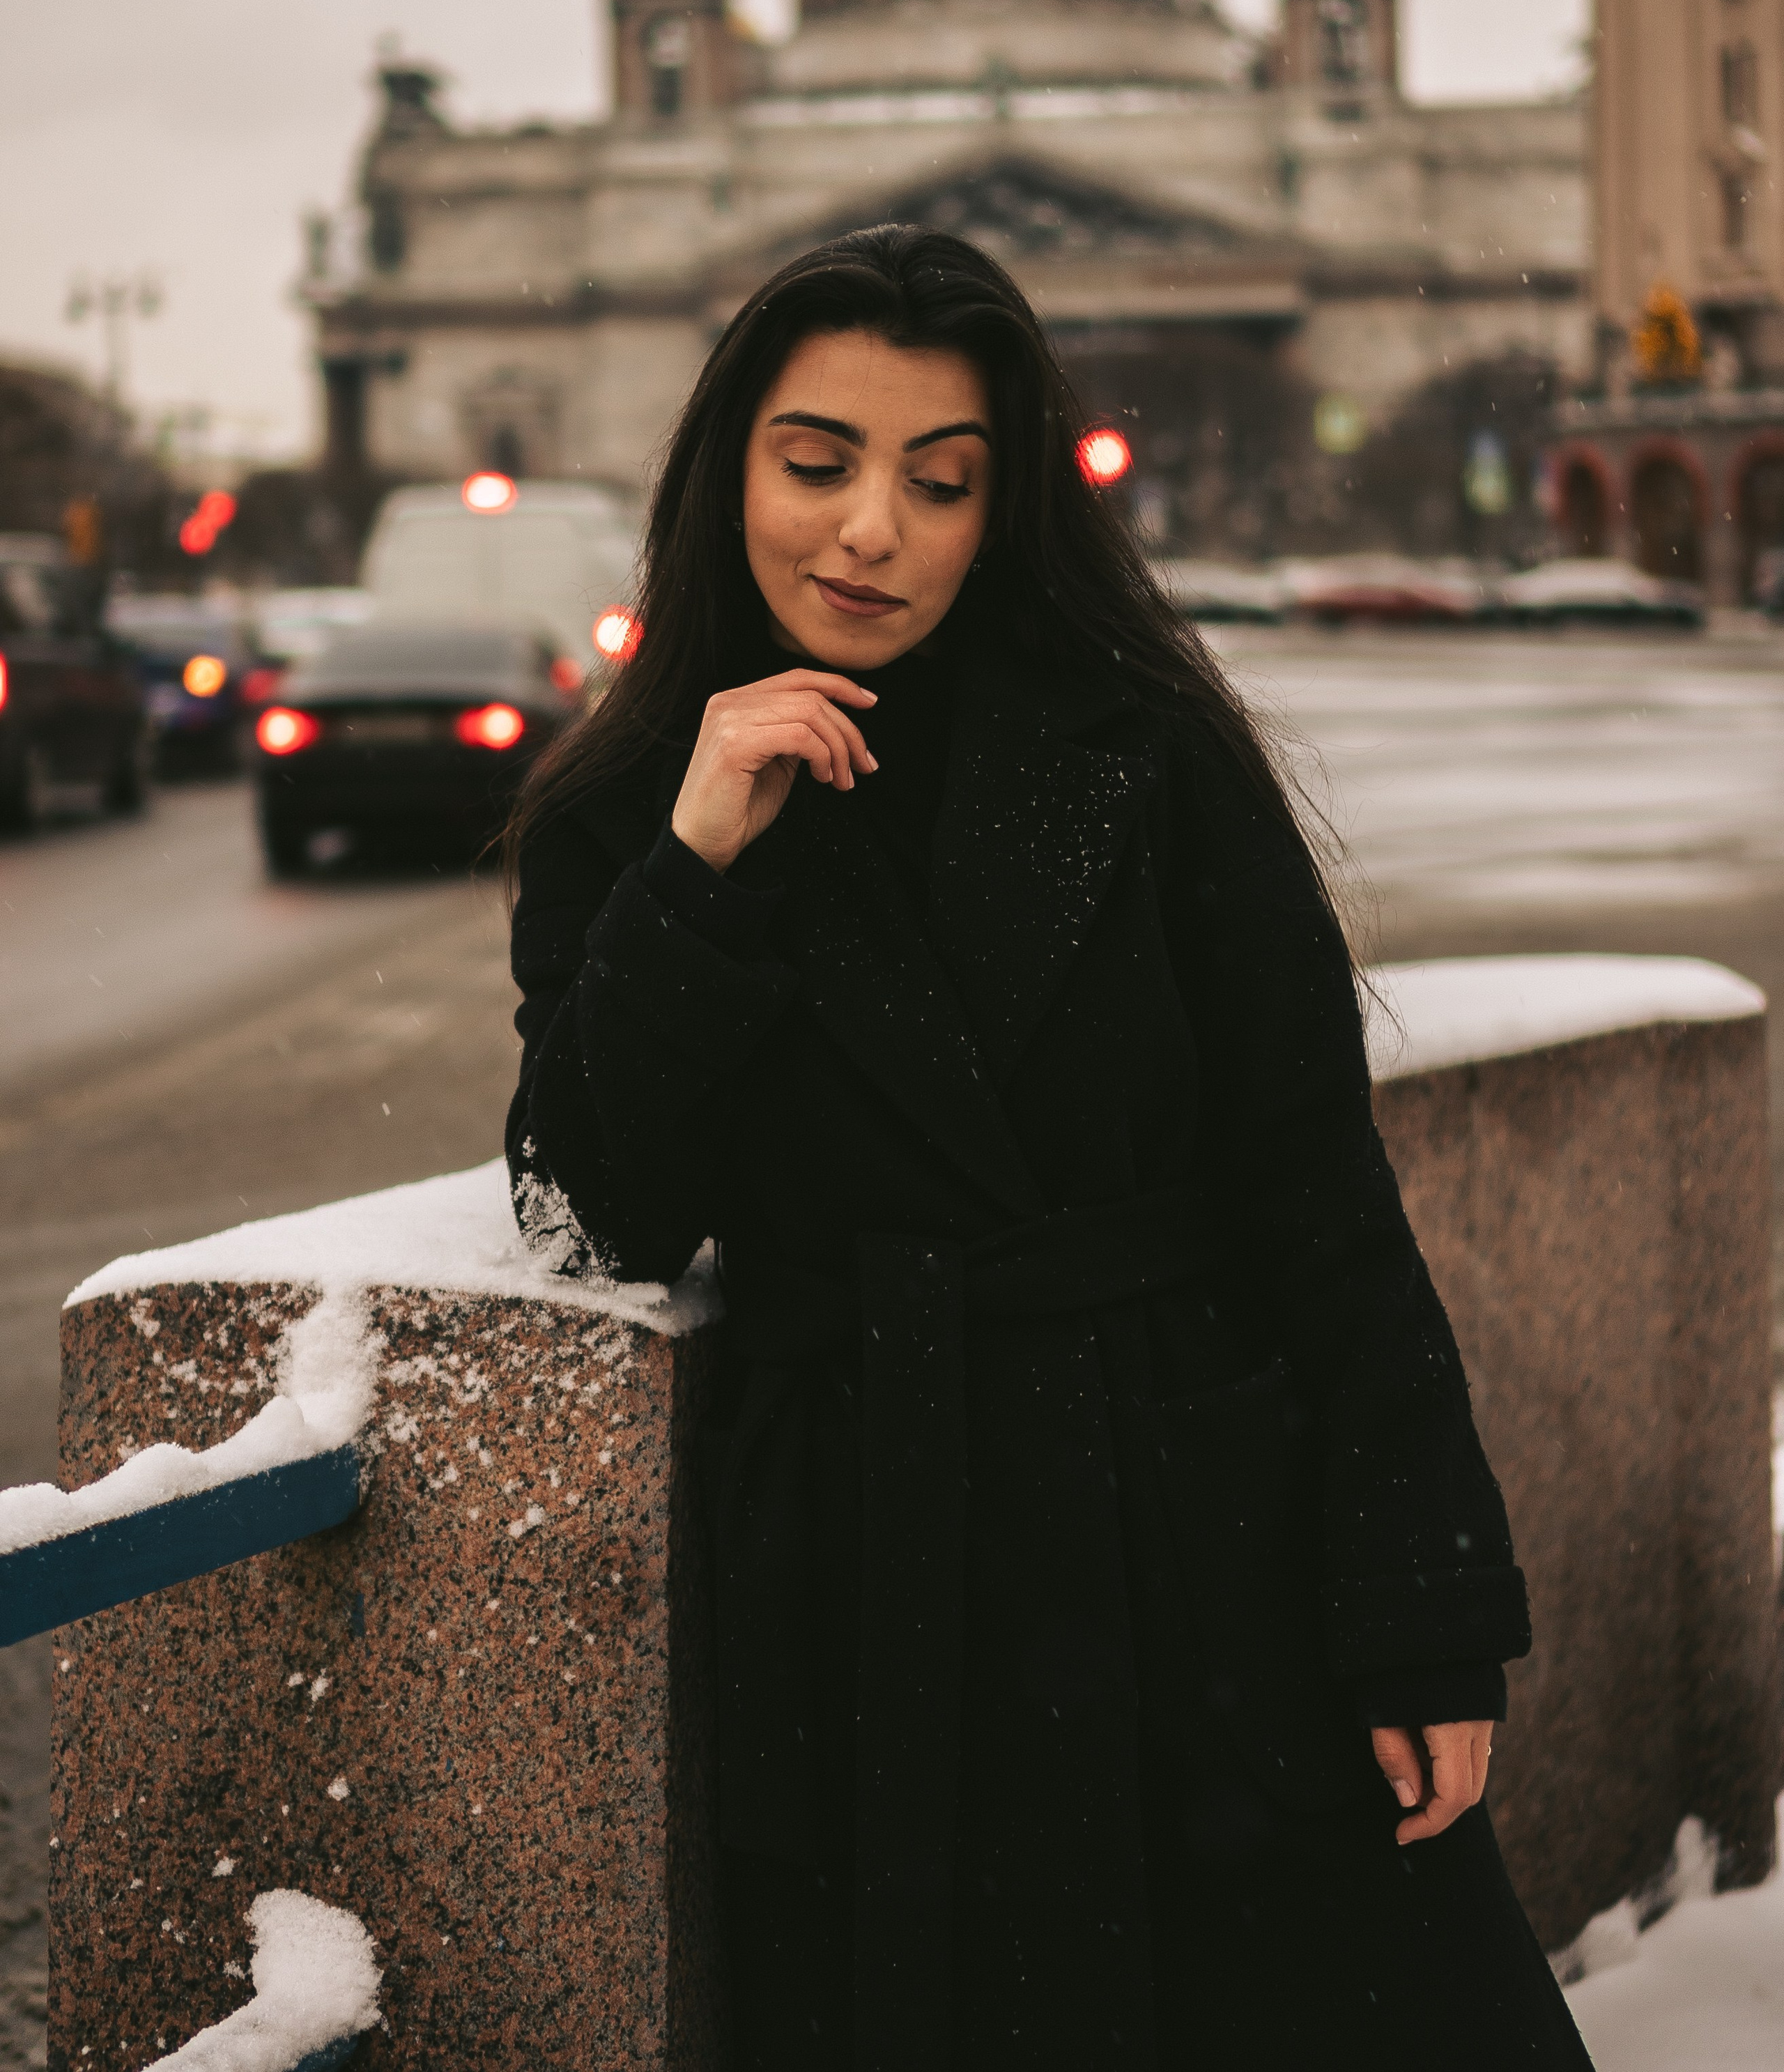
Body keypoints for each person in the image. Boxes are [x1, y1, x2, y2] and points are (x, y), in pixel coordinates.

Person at [502, 227, 1592, 2071]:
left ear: (1005, 510)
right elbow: (594, 1205)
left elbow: (1320, 1201)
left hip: (1199, 1552)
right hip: (872, 1604)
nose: (871, 532)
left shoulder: (1146, 754)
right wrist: (699, 869)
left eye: (941, 482)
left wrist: (1418, 1617)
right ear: (725, 475)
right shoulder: (633, 815)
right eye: (818, 463)